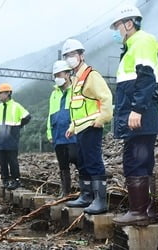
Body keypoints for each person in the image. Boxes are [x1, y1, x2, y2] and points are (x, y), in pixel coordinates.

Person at [109, 4, 158, 226]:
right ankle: (146, 210)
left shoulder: (141, 41)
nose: (118, 31)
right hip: (136, 114)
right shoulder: (132, 47)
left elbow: (146, 77)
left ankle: (139, 211)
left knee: (135, 160)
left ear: (129, 24)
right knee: (142, 160)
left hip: (139, 115)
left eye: (119, 26)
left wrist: (137, 109)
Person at [63, 38, 113, 214]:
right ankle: (86, 196)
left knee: (93, 162)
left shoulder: (91, 75)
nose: (70, 58)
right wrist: (72, 126)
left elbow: (106, 97)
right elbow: (77, 107)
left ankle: (100, 200)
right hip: (80, 128)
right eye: (67, 55)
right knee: (82, 162)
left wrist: (103, 118)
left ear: (81, 55)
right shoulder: (76, 79)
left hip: (92, 126)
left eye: (73, 54)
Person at [47, 60, 78, 197]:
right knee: (63, 165)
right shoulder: (54, 94)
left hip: (72, 133)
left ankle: (86, 191)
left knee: (77, 159)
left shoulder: (76, 89)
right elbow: (50, 115)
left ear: (67, 74)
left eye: (59, 74)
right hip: (58, 134)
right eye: (55, 75)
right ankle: (65, 191)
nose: (57, 78)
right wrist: (49, 133)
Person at [0, 83, 31, 190]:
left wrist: (18, 126)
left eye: (1, 93)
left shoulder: (16, 106)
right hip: (0, 137)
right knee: (2, 159)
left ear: (8, 93)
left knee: (12, 159)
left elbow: (27, 117)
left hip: (11, 137)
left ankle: (15, 179)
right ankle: (5, 179)